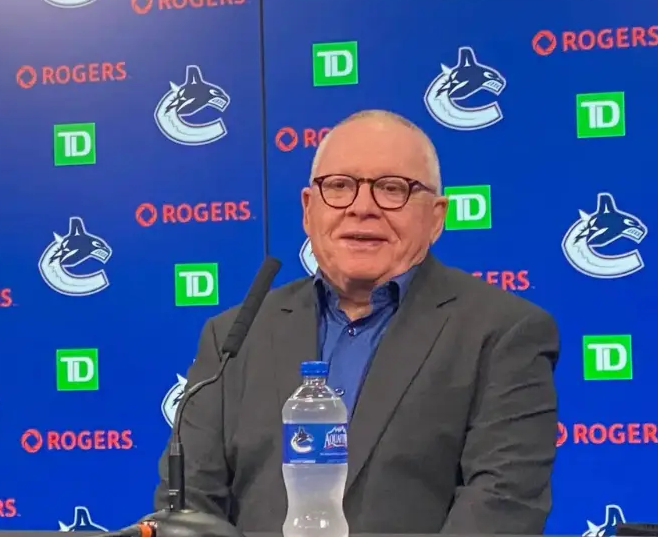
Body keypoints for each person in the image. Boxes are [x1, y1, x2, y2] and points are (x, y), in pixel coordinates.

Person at [156, 110, 559, 533]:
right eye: (339, 186)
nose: (361, 207)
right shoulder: (233, 337)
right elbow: (189, 510)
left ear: (437, 216)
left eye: (392, 189)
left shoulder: (504, 333)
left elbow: (501, 509)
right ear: (309, 210)